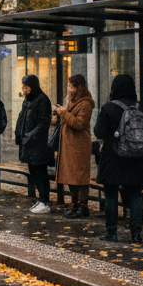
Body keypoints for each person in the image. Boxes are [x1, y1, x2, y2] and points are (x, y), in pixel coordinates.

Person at [94, 73, 143, 243]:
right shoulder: (140, 108)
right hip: (136, 157)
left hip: (113, 157)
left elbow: (98, 131)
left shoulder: (108, 108)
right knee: (135, 195)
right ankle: (136, 233)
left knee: (111, 195)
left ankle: (112, 232)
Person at [55, 74, 94, 219]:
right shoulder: (71, 100)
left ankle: (83, 206)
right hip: (69, 144)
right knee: (71, 175)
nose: (68, 89)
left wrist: (64, 113)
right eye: (68, 86)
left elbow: (79, 124)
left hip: (79, 145)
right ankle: (75, 204)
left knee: (80, 177)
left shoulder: (86, 103)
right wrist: (62, 112)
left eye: (71, 87)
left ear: (79, 87)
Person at [15, 74, 53, 214]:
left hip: (37, 144)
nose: (24, 91)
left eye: (26, 88)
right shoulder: (27, 100)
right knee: (33, 171)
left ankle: (45, 201)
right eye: (23, 87)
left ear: (33, 87)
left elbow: (43, 123)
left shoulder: (42, 100)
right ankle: (41, 199)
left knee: (40, 172)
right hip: (27, 143)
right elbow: (21, 118)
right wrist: (19, 134)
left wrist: (30, 136)